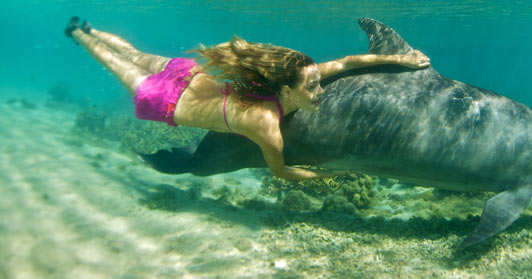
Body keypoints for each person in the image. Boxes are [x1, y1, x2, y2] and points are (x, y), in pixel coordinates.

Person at [64, 16, 430, 181]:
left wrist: (403, 58)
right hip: (165, 101)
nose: (320, 89)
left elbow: (348, 62)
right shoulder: (267, 125)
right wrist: (326, 175)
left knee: (133, 53)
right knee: (114, 62)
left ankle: (90, 29)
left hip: (188, 74)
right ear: (286, 91)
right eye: (313, 87)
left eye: (317, 82)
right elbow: (282, 171)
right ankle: (82, 38)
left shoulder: (283, 80)